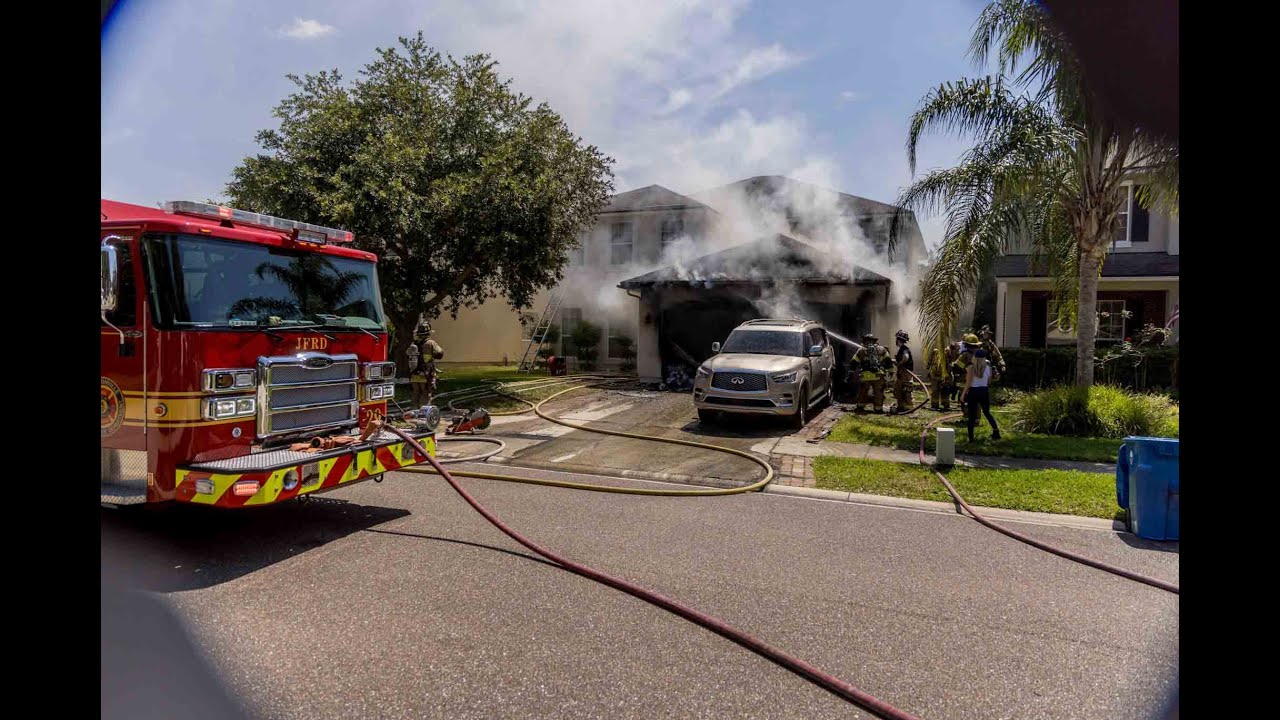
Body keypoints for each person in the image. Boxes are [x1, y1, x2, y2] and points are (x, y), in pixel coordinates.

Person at [960, 348, 1001, 442]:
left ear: (975, 357)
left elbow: (968, 382)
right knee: (987, 412)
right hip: (984, 391)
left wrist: (963, 394)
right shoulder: (988, 368)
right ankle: (996, 431)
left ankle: (971, 438)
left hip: (973, 391)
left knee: (972, 415)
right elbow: (989, 381)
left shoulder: (971, 368)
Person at [851, 333, 892, 413]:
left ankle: (860, 406)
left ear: (865, 341)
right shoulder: (882, 349)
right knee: (878, 392)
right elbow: (888, 361)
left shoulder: (861, 350)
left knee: (863, 391)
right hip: (878, 375)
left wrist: (851, 372)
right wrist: (890, 372)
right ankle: (878, 408)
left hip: (865, 376)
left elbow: (854, 362)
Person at [407, 319, 444, 407]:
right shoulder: (430, 343)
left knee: (415, 393)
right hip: (426, 374)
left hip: (414, 374)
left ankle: (414, 412)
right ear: (428, 333)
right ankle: (424, 413)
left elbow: (407, 353)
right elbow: (440, 354)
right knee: (426, 393)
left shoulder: (414, 344)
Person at [889, 330, 915, 414]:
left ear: (898, 339)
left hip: (906, 374)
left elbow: (906, 357)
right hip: (901, 374)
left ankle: (910, 409)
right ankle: (901, 407)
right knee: (898, 390)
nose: (895, 341)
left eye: (896, 339)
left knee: (906, 390)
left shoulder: (904, 349)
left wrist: (899, 363)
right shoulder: (902, 349)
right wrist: (893, 361)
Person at [926, 341, 952, 411]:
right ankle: (935, 405)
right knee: (935, 392)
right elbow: (930, 362)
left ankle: (945, 405)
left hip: (944, 376)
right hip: (935, 375)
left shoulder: (947, 352)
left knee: (945, 391)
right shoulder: (935, 352)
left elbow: (950, 363)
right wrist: (929, 370)